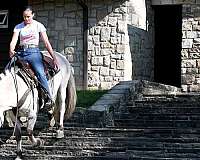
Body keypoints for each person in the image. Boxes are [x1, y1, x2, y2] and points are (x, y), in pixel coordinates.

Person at [9, 6, 58, 107]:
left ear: (33, 15)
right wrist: (11, 49)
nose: (26, 19)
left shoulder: (38, 25)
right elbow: (13, 41)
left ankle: (48, 96)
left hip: (33, 52)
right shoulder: (18, 27)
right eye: (24, 17)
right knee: (8, 69)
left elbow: (46, 42)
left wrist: (54, 57)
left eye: (28, 17)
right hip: (21, 52)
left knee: (40, 73)